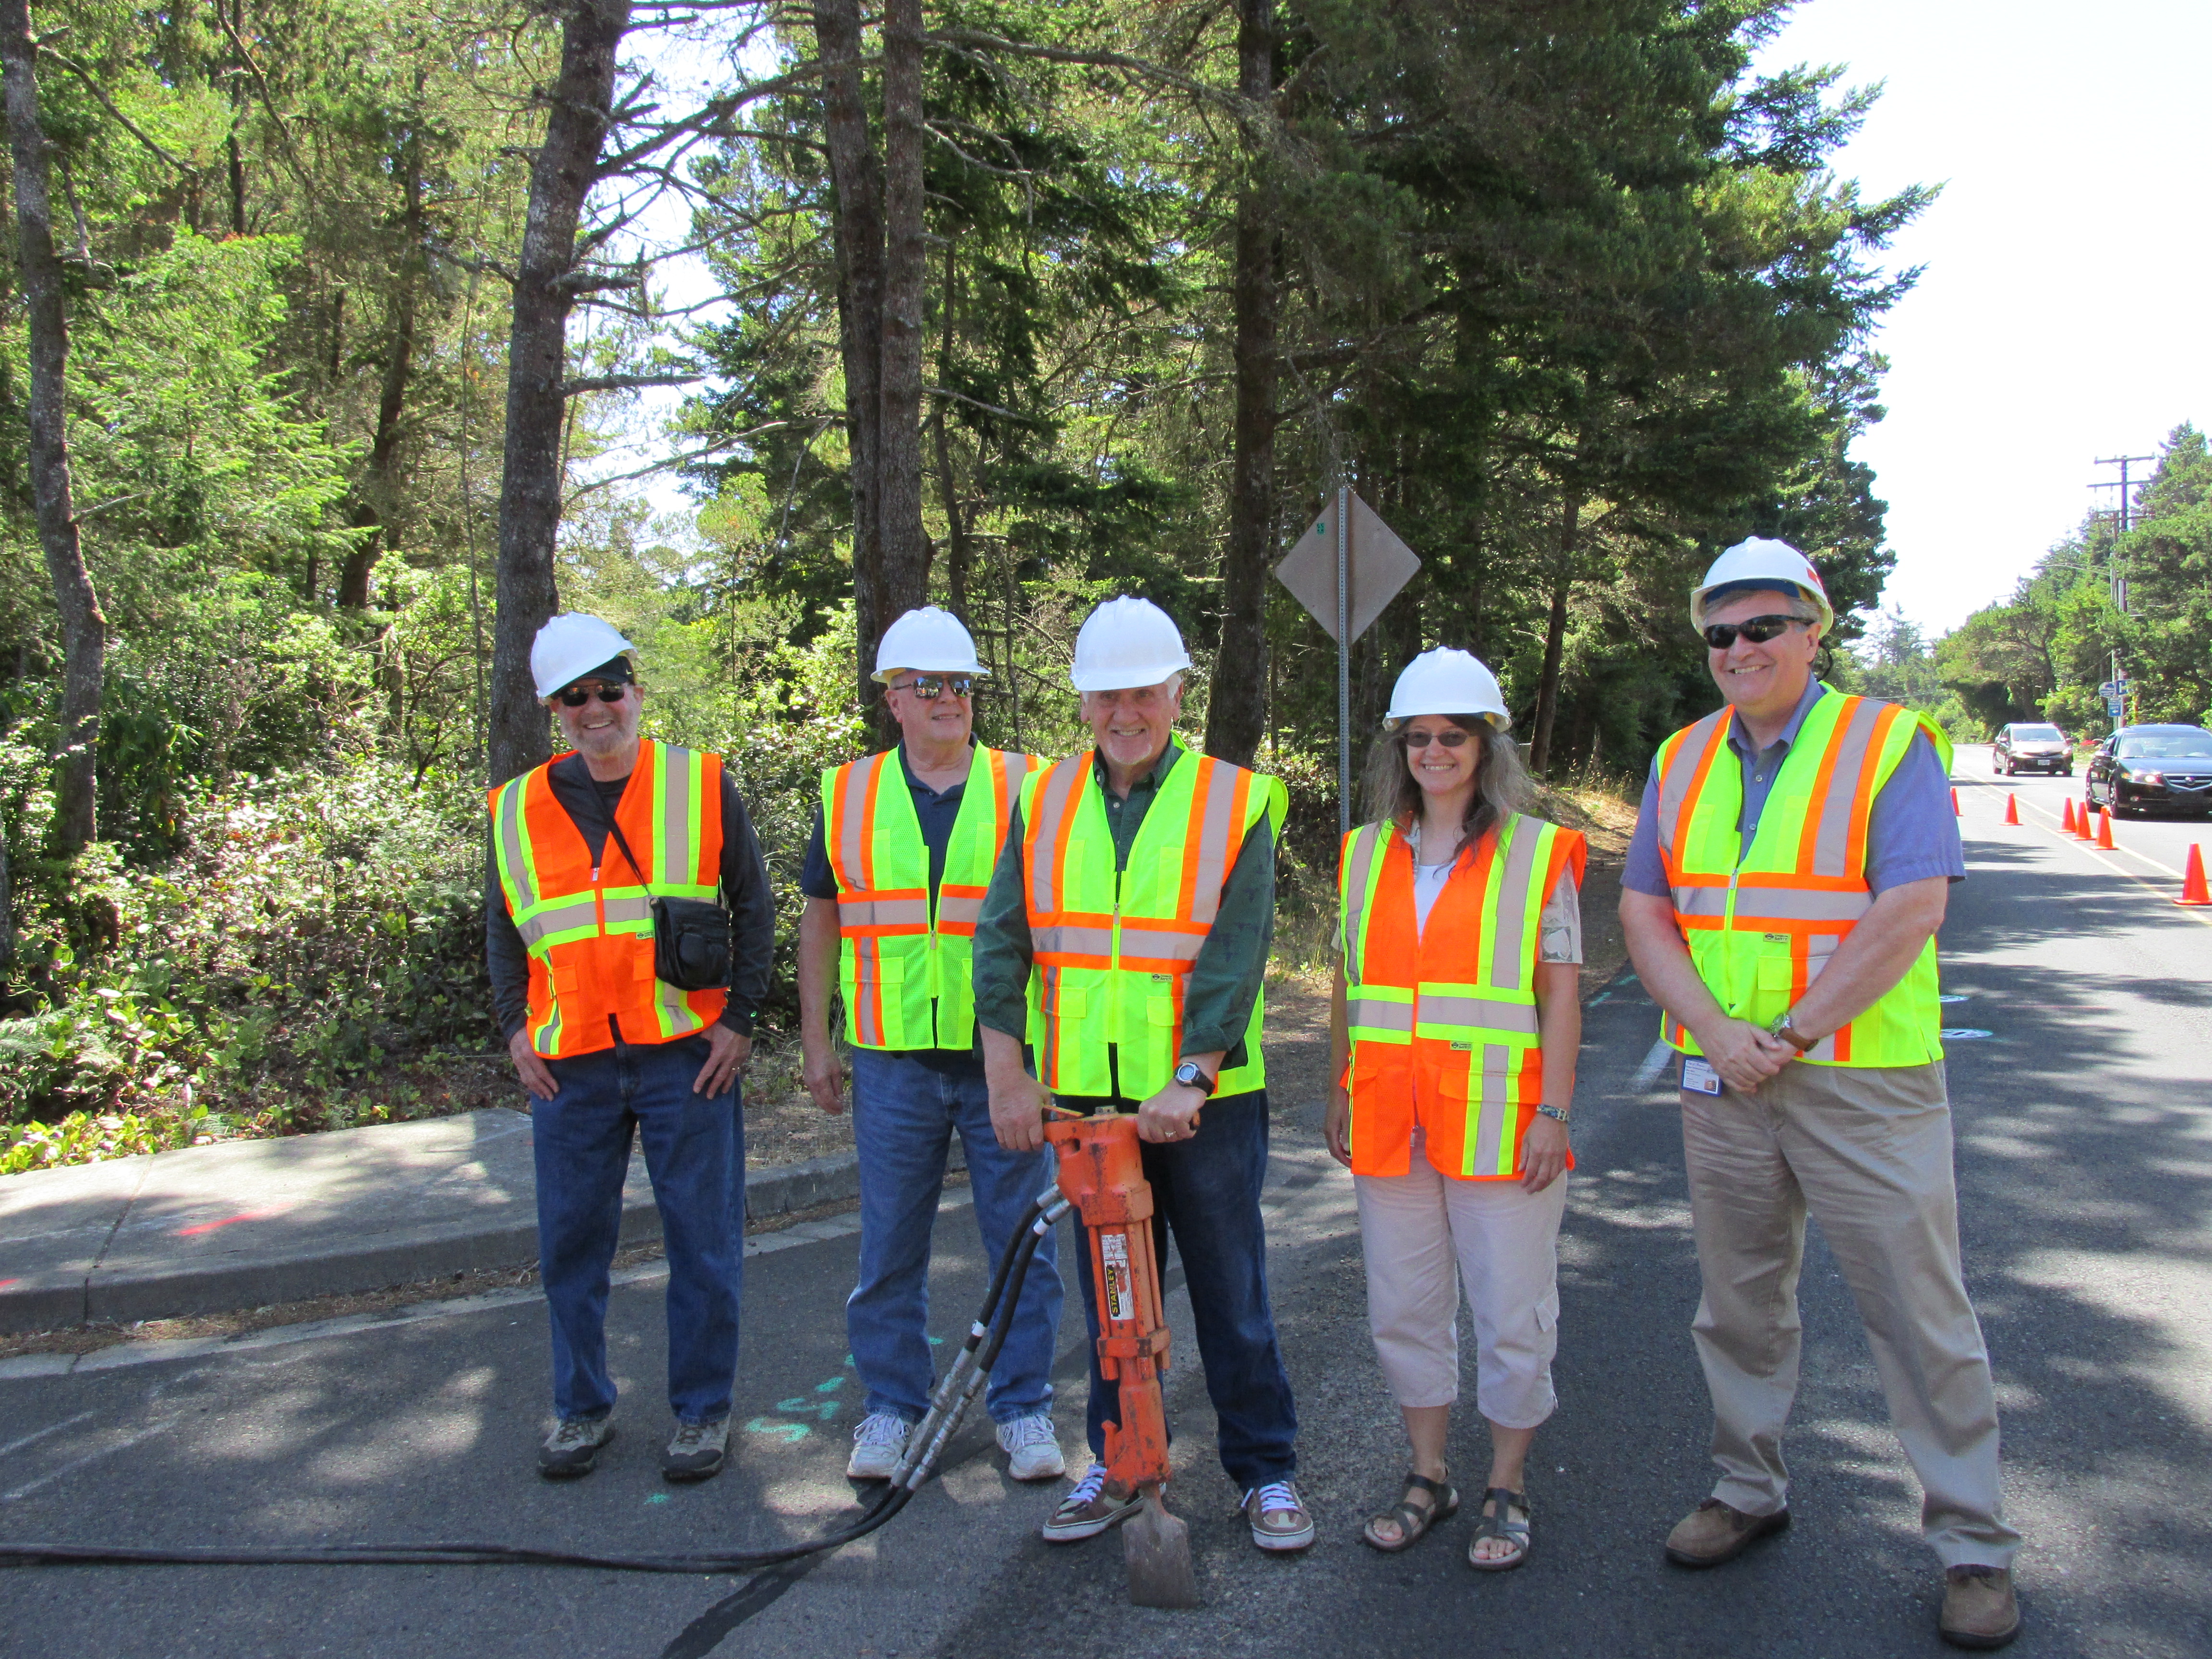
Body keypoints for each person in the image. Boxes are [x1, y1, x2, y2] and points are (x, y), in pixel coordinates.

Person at [1618, 539, 2023, 1650]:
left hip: (1864, 1081)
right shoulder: (1681, 757)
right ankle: (1746, 1490)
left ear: (1813, 628)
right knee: (1739, 1304)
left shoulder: (1889, 744)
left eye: (1763, 626)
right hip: (1725, 1080)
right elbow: (1648, 913)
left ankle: (1975, 1546)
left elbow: (1913, 907)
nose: (1740, 648)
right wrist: (1714, 1034)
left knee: (1917, 1312)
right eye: (1720, 633)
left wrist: (1789, 1034)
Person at [972, 595, 1312, 1553]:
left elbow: (1237, 952)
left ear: (1176, 693)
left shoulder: (1236, 799)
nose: (1126, 711)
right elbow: (1001, 942)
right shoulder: (1041, 799)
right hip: (1086, 1103)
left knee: (1230, 1295)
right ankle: (1118, 1466)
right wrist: (1008, 1074)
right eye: (1105, 695)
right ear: (1082, 704)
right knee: (1115, 1303)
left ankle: (1266, 1470)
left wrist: (1194, 1079)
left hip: (1203, 1111)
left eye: (1143, 692)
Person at [487, 613, 775, 1483]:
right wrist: (512, 1030)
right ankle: (580, 1409)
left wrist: (740, 1021)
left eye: (609, 688)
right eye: (575, 697)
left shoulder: (700, 783)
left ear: (636, 692)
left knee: (703, 1242)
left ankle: (702, 1414)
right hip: (568, 1060)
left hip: (686, 1053)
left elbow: (754, 906)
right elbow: (504, 928)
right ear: (555, 711)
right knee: (572, 1245)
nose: (595, 707)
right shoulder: (515, 807)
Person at [1324, 649, 1586, 1573]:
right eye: (1418, 737)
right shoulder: (1363, 852)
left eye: (1454, 736)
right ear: (1399, 746)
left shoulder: (1537, 851)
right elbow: (1349, 987)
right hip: (1392, 1119)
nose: (1435, 751)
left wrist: (1555, 1110)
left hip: (1502, 1123)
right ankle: (1427, 1476)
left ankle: (1506, 1486)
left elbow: (1561, 995)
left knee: (1513, 1312)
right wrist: (1337, 1088)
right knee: (1405, 1309)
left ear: (1485, 744)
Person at [796, 606, 1068, 1484]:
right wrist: (816, 1043)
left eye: (960, 683)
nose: (948, 699)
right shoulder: (849, 792)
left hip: (1006, 1067)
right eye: (927, 685)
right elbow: (821, 920)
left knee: (1022, 1239)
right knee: (889, 1249)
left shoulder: (1035, 785)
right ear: (893, 700)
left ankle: (1024, 1410)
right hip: (892, 1064)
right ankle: (891, 1410)